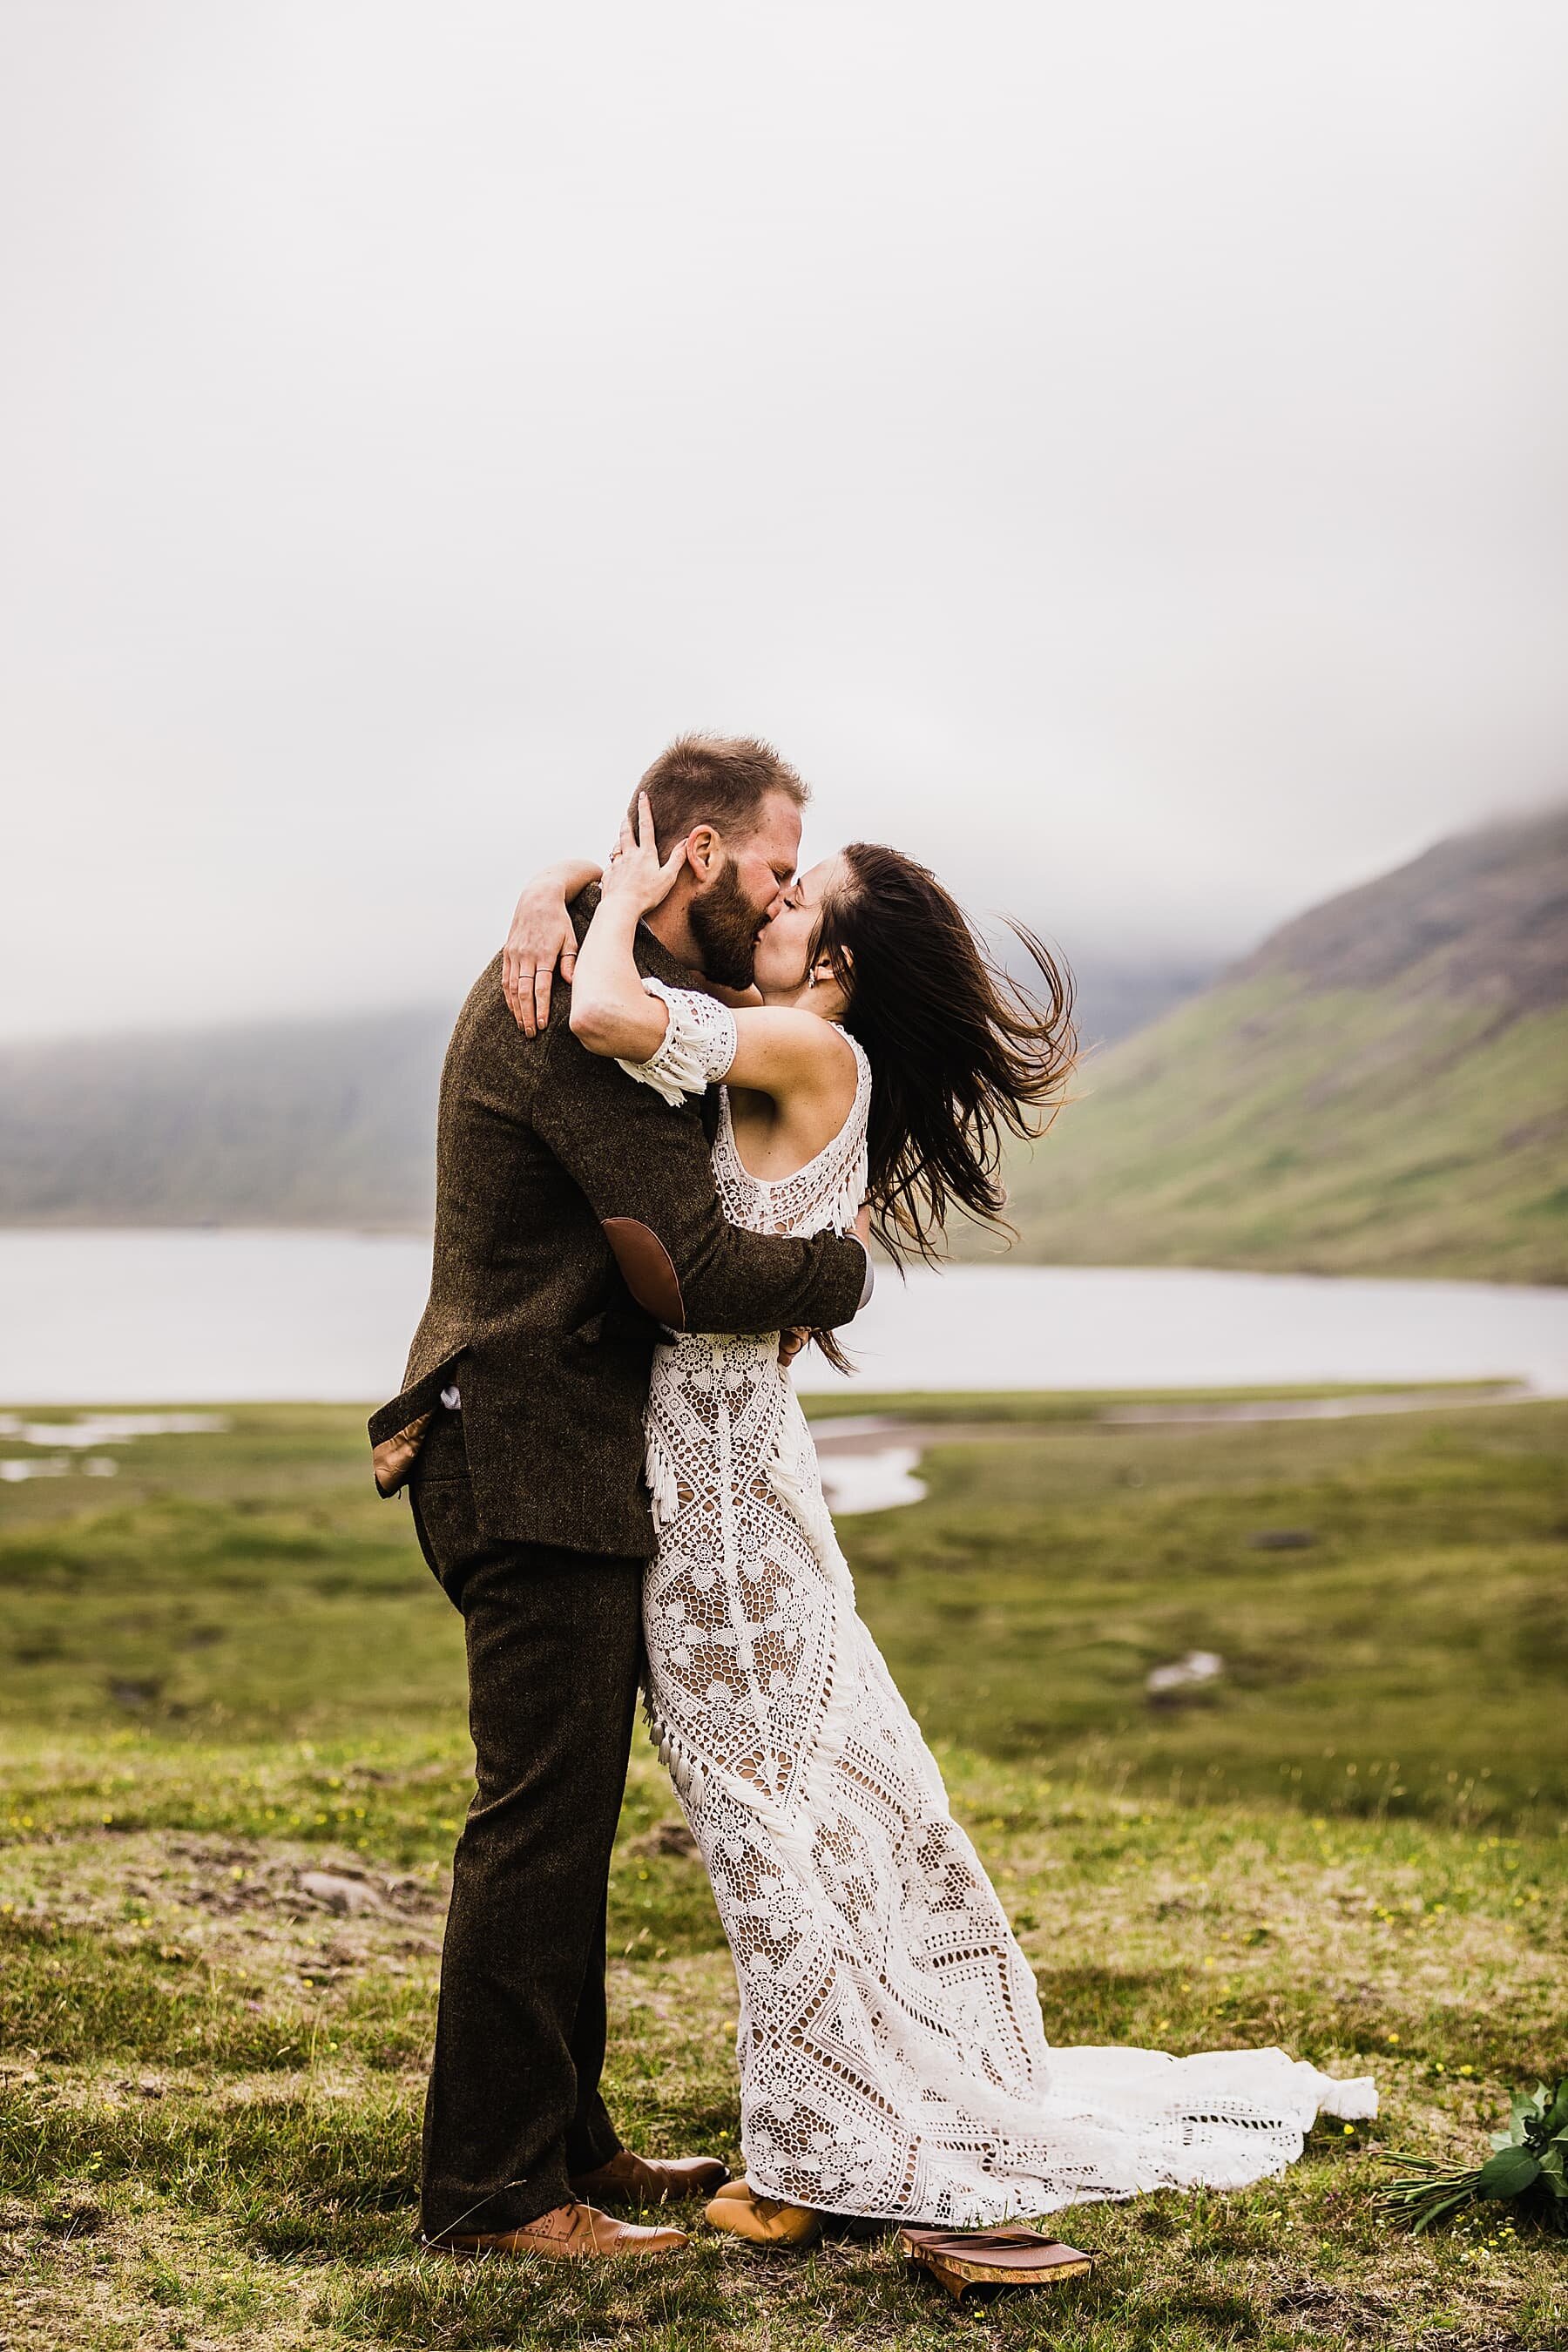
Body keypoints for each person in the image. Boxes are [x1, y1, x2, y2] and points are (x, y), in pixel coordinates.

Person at [508, 787, 1376, 2249]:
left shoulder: (804, 1045)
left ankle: (807, 2161)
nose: (766, 906)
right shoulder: (797, 1046)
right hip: (732, 1481)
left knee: (753, 1823)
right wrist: (560, 877)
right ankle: (843, 2106)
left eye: (795, 904)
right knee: (810, 1808)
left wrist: (608, 885)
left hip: (721, 1517)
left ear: (835, 968)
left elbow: (600, 1016)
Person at [368, 736, 874, 2263]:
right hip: (524, 1457)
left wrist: (562, 883)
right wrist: (843, 1271)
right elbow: (693, 1270)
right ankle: (494, 2196)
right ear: (706, 855)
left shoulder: (622, 981)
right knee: (536, 1823)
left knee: (568, 1816)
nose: (790, 892)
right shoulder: (564, 1016)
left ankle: (568, 2141)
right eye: (781, 869)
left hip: (554, 1453)